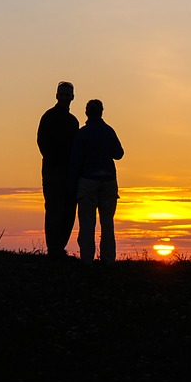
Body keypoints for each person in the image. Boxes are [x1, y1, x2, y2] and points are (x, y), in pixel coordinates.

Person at [69, 99, 124, 264]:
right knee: (107, 222)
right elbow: (119, 153)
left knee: (87, 222)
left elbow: (75, 160)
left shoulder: (82, 133)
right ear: (102, 112)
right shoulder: (108, 131)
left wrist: (73, 183)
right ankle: (108, 259)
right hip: (108, 180)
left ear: (87, 112)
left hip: (88, 180)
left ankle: (87, 259)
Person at [37, 81, 80, 259]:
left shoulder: (73, 121)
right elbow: (42, 142)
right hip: (53, 171)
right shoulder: (48, 117)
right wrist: (54, 161)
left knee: (69, 210)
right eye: (61, 94)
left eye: (67, 94)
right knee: (54, 209)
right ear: (56, 96)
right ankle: (53, 249)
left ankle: (59, 247)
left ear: (72, 97)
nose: (64, 97)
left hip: (69, 172)